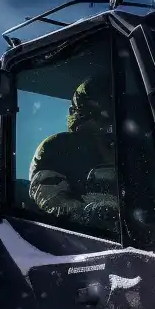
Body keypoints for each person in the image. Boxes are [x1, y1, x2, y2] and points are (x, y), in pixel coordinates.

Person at [28, 73, 120, 233]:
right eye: (92, 110)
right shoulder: (58, 146)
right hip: (85, 239)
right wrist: (86, 214)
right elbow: (49, 195)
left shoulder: (128, 149)